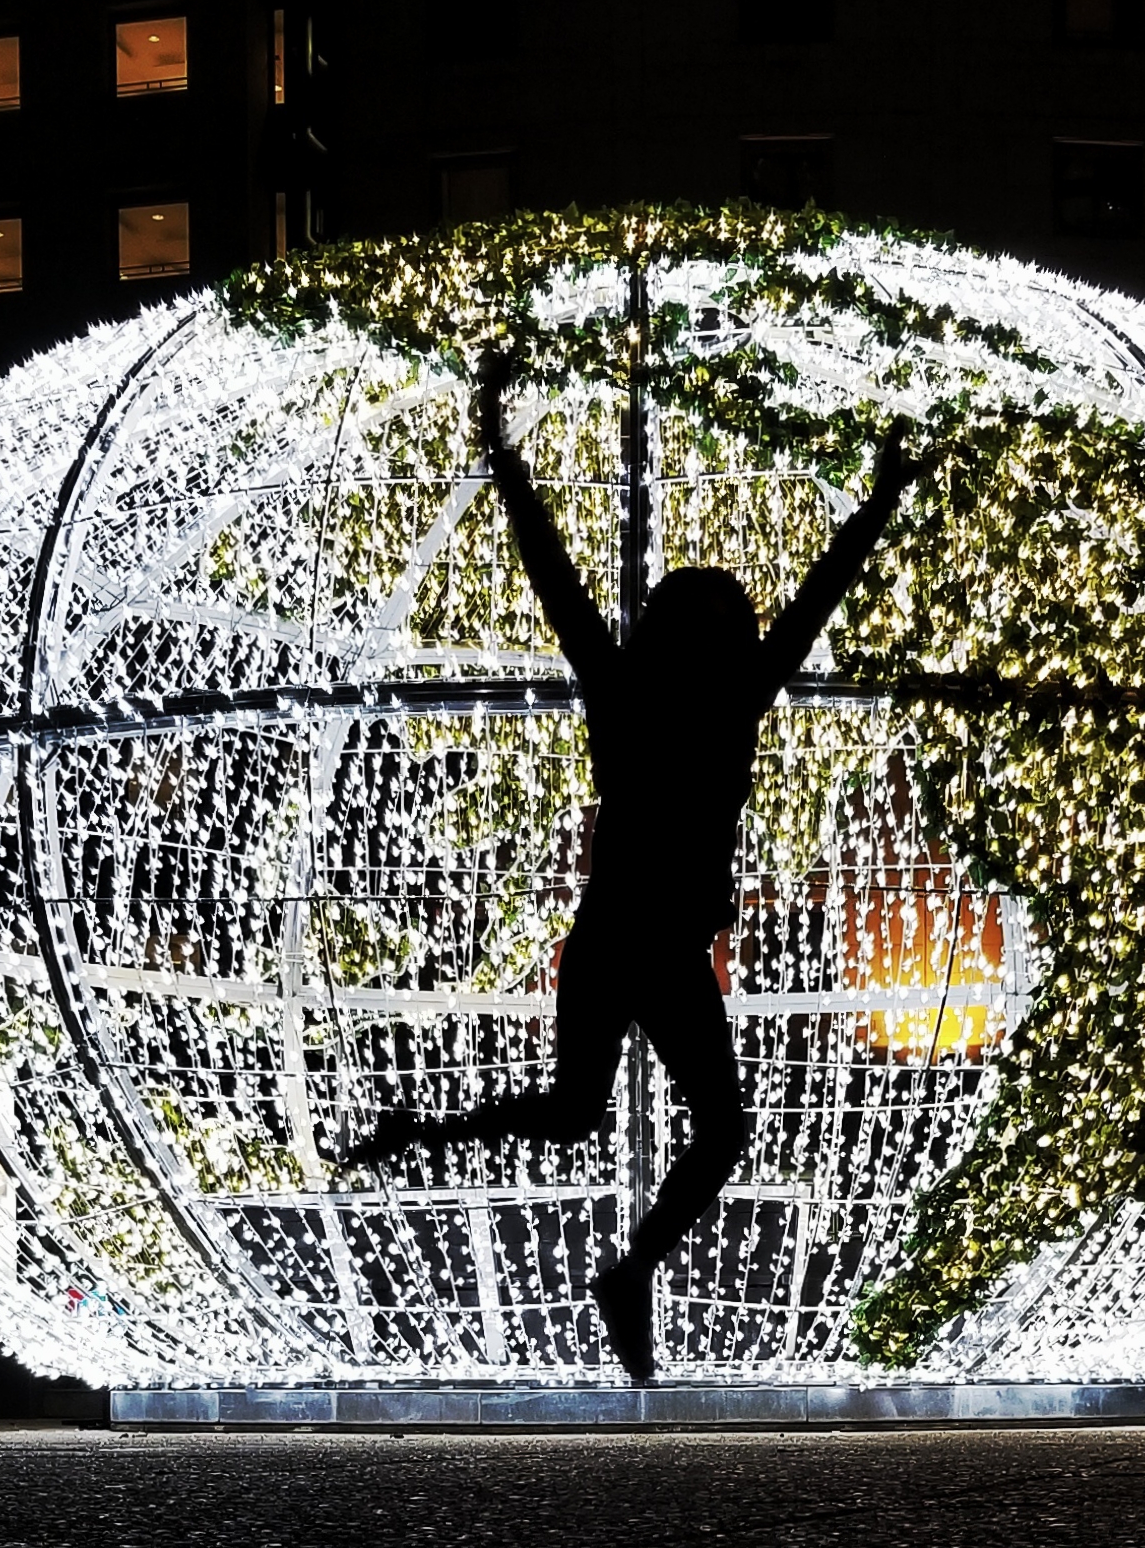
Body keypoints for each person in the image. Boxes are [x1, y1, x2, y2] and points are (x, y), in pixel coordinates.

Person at [347, 356, 925, 1380]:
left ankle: (441, 1150)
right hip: (641, 943)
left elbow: (579, 580)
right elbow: (560, 575)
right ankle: (617, 1265)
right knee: (688, 1125)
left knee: (603, 1115)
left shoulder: (664, 690)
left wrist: (879, 498)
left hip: (629, 938)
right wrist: (501, 451)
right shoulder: (698, 693)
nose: (728, 630)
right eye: (714, 617)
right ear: (695, 632)